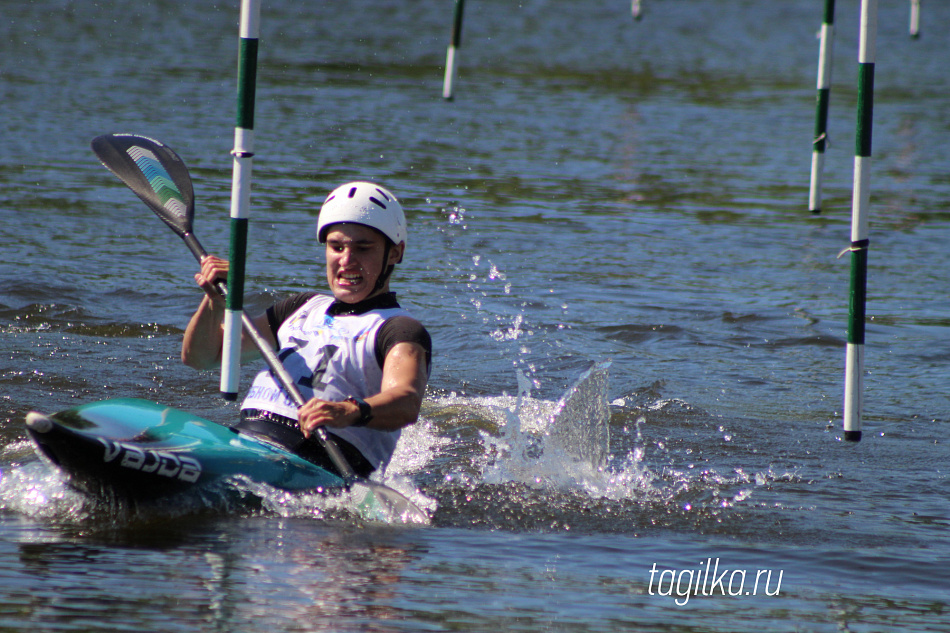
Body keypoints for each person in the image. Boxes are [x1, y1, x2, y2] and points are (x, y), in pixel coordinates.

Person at [181, 182, 431, 478]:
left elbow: (406, 401)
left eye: (363, 248)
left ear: (394, 254)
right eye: (336, 247)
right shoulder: (301, 307)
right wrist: (214, 301)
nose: (347, 260)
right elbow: (203, 357)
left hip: (322, 464)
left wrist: (350, 411)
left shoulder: (399, 329)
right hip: (245, 441)